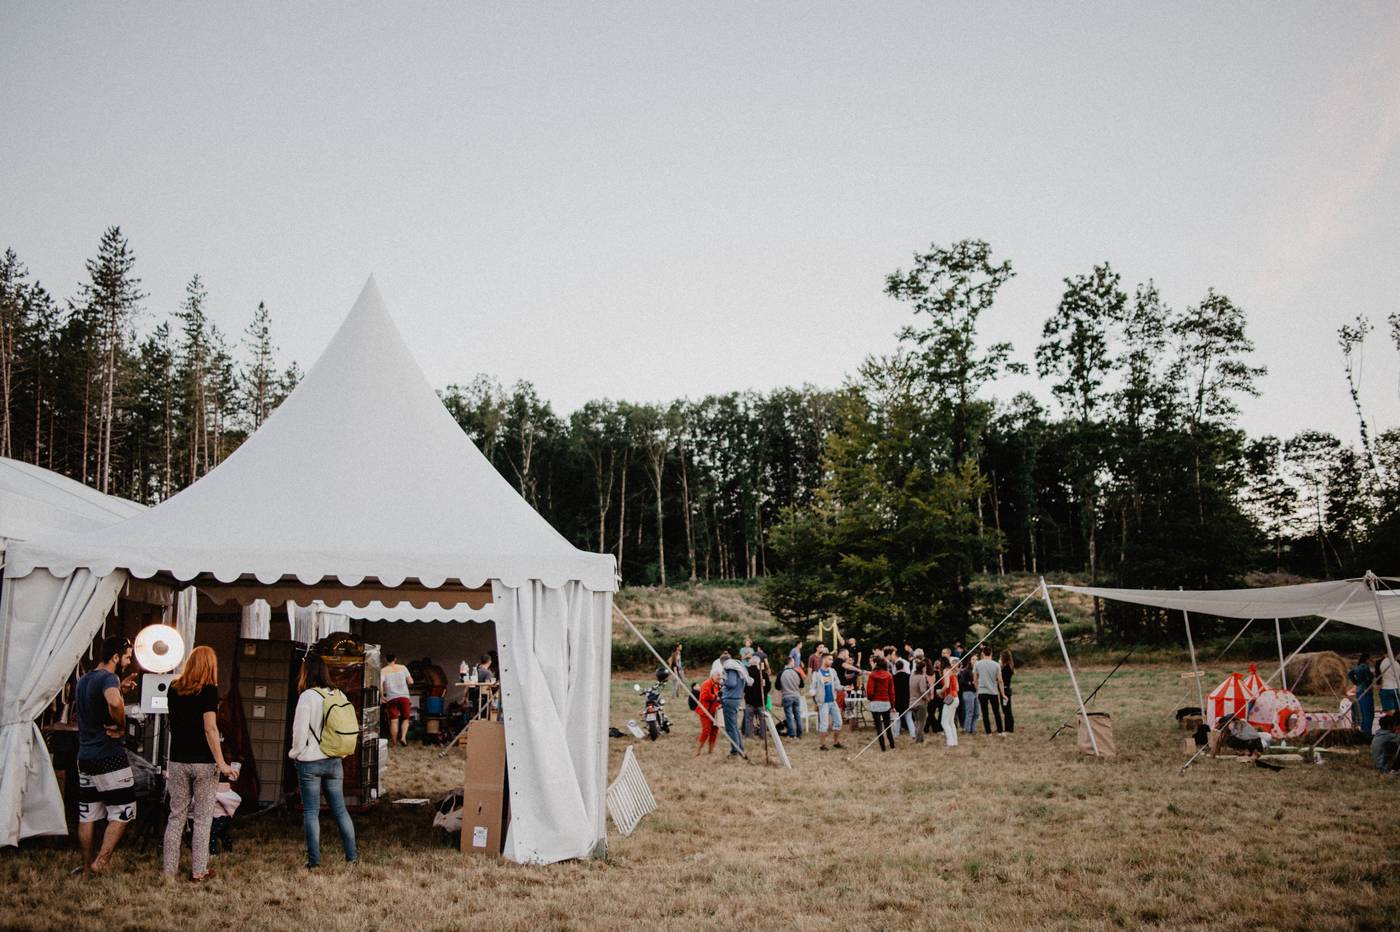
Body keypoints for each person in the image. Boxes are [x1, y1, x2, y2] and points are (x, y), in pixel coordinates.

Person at [163, 645, 237, 882]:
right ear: (210, 666)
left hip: (177, 760)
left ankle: (169, 872)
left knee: (176, 816)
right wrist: (222, 762)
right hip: (204, 762)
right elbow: (210, 728)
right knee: (203, 819)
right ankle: (198, 871)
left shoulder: (173, 689)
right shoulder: (208, 691)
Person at [75, 636, 137, 876]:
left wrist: (120, 690)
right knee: (124, 809)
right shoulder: (110, 678)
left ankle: (86, 866)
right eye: (127, 657)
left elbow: (99, 700)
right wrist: (121, 724)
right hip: (109, 755)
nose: (128, 662)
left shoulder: (84, 680)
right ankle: (101, 861)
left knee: (88, 813)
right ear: (115, 657)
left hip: (85, 756)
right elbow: (113, 702)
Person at [289, 654, 358, 869]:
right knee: (341, 811)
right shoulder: (338, 693)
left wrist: (295, 753)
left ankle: (314, 862)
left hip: (310, 761)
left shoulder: (307, 697)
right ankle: (352, 857)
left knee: (311, 812)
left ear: (306, 672)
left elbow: (299, 732)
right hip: (334, 760)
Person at [720, 653, 752, 758]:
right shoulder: (738, 667)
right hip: (736, 698)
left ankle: (734, 752)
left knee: (730, 728)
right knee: (734, 727)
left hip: (730, 699)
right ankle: (740, 749)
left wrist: (723, 681)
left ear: (723, 662)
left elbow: (731, 683)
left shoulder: (730, 667)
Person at [810, 653, 844, 751]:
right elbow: (812, 688)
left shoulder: (832, 671)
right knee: (824, 724)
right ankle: (823, 745)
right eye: (830, 659)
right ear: (824, 660)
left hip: (833, 701)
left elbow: (837, 685)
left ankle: (836, 743)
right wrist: (814, 697)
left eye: (832, 659)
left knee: (839, 722)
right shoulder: (816, 673)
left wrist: (844, 688)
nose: (831, 661)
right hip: (823, 702)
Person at [380, 652, 414, 747]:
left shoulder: (383, 670)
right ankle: (403, 737)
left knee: (394, 721)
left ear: (386, 659)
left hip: (391, 698)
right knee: (406, 718)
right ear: (395, 659)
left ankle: (394, 743)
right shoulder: (403, 668)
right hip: (404, 696)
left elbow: (380, 684)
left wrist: (382, 696)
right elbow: (411, 681)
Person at [865, 656, 897, 751]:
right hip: (886, 702)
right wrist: (893, 705)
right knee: (887, 725)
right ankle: (892, 745)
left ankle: (883, 748)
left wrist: (871, 698)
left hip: (875, 702)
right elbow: (891, 692)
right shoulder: (889, 675)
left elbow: (869, 691)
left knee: (879, 727)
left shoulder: (872, 675)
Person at [973, 647, 1006, 736]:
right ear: (991, 653)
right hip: (993, 691)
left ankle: (988, 732)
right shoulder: (996, 664)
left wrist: (977, 690)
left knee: (985, 713)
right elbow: (1000, 681)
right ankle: (1000, 731)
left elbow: (975, 680)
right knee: (996, 712)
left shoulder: (977, 664)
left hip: (982, 691)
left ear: (983, 653)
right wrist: (1003, 694)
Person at [695, 669, 723, 756]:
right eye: (718, 675)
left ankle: (710, 751)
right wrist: (715, 697)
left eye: (720, 675)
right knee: (706, 731)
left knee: (715, 730)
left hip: (716, 711)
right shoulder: (706, 683)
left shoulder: (719, 685)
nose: (720, 677)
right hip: (706, 711)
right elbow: (704, 696)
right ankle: (698, 750)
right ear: (712, 676)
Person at [1349, 653, 1375, 736]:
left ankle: (1363, 731)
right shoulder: (1365, 667)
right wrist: (1371, 678)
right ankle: (1367, 733)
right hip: (1366, 691)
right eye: (1369, 659)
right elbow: (1368, 678)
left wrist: (1356, 683)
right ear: (1367, 659)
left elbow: (1350, 674)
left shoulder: (1357, 667)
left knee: (1362, 712)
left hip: (1359, 690)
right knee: (1368, 713)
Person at [779, 658, 804, 740]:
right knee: (797, 715)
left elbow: (777, 686)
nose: (794, 663)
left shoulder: (781, 673)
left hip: (786, 696)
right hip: (796, 696)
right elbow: (802, 685)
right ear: (790, 663)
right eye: (793, 662)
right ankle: (799, 733)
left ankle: (792, 734)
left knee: (789, 716)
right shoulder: (797, 672)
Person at [742, 656, 766, 739]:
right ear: (758, 663)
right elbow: (768, 687)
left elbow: (743, 687)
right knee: (762, 719)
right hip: (760, 701)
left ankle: (749, 736)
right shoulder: (763, 674)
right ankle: (763, 735)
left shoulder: (746, 674)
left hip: (749, 700)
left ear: (750, 663)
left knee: (748, 719)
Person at [908, 659, 931, 744]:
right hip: (920, 703)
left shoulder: (912, 676)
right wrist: (927, 698)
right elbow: (923, 691)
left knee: (917, 722)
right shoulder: (921, 678)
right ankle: (918, 740)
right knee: (921, 722)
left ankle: (921, 740)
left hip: (912, 702)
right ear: (923, 668)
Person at [940, 660, 961, 747]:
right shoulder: (953, 672)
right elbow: (958, 688)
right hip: (956, 698)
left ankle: (950, 742)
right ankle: (954, 741)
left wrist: (940, 692)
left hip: (950, 698)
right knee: (951, 721)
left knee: (944, 722)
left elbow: (947, 685)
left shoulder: (946, 670)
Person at [891, 655, 912, 738]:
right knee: (909, 718)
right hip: (907, 699)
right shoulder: (908, 676)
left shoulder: (893, 678)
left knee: (896, 719)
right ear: (903, 666)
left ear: (896, 667)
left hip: (897, 700)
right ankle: (913, 733)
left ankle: (896, 734)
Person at [958, 659, 979, 734]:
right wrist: (969, 683)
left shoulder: (977, 670)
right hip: (968, 692)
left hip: (976, 692)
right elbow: (961, 681)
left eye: (976, 659)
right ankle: (967, 729)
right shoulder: (966, 671)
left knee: (976, 713)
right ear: (970, 661)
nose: (975, 661)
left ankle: (973, 729)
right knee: (969, 712)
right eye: (973, 659)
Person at [999, 649, 1016, 734]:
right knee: (1006, 709)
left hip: (1005, 690)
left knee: (1007, 710)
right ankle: (1008, 727)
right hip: (1005, 689)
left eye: (1001, 657)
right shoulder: (1008, 667)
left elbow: (1002, 679)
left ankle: (1008, 728)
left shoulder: (1006, 668)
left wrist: (999, 667)